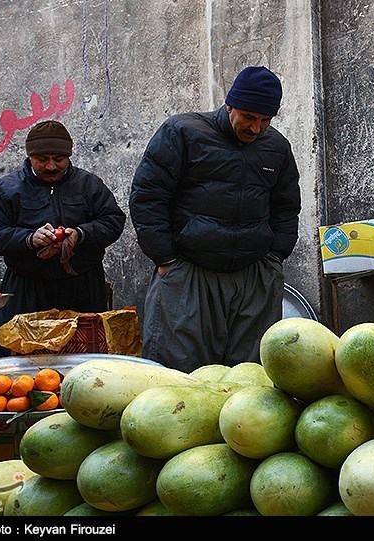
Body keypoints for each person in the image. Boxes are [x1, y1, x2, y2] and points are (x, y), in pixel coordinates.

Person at [129, 65, 301, 373]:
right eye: (248, 117)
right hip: (189, 273)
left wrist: (275, 257)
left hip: (253, 276)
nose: (256, 128)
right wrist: (165, 257)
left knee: (250, 375)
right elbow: (148, 196)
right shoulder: (182, 132)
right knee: (177, 371)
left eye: (265, 120)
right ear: (230, 104)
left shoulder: (276, 148)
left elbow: (287, 207)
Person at [0, 120, 126, 356]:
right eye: (42, 159)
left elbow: (113, 221)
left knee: (86, 366)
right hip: (26, 290)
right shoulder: (7, 189)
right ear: (30, 156)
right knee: (21, 368)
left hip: (82, 288)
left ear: (69, 156)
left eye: (59, 159)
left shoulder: (89, 185)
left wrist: (80, 234)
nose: (51, 166)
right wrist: (29, 239)